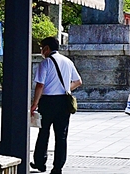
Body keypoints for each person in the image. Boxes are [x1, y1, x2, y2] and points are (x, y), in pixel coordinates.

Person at [30, 37, 82, 174]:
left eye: (42, 48)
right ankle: (58, 167)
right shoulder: (68, 61)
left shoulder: (45, 63)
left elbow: (40, 85)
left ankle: (40, 162)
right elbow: (78, 81)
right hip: (63, 102)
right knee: (61, 135)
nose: (41, 51)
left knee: (43, 132)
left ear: (46, 48)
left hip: (47, 102)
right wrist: (66, 88)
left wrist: (34, 103)